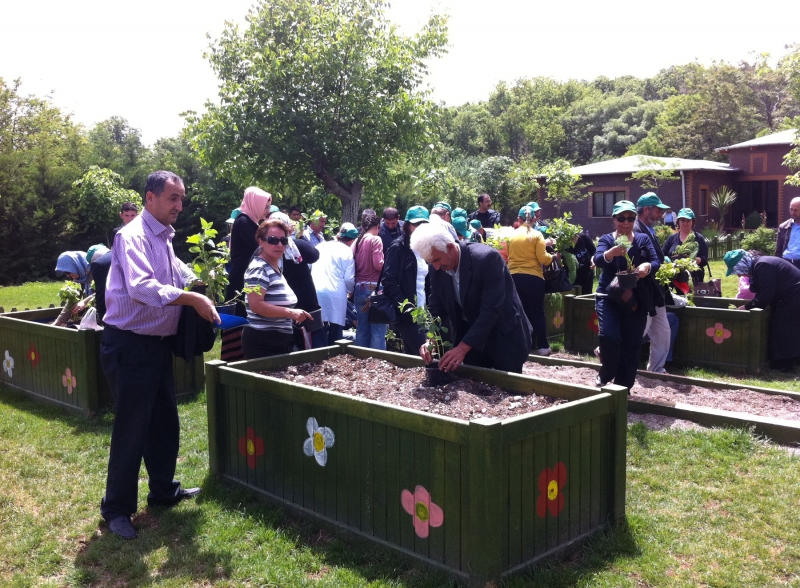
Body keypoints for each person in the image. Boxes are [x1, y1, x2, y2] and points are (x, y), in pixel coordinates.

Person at [99, 171, 219, 540]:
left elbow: (175, 271)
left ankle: (163, 491)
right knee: (132, 428)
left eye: (181, 198)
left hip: (155, 345)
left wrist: (200, 279)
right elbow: (141, 287)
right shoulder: (132, 235)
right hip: (129, 345)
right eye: (172, 198)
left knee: (164, 421)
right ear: (150, 198)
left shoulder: (163, 236)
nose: (179, 205)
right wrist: (192, 298)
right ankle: (116, 509)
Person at [409, 222, 532, 373]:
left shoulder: (486, 259)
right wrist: (431, 339)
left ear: (450, 247)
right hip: (471, 340)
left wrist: (462, 348)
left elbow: (491, 309)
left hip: (504, 337)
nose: (435, 266)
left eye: (436, 260)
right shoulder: (437, 269)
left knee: (508, 386)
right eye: (430, 262)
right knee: (473, 382)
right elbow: (436, 307)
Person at [593, 200, 660, 388]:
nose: (626, 222)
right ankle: (606, 374)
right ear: (614, 219)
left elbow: (656, 261)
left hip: (636, 298)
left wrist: (647, 266)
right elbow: (598, 259)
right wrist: (611, 253)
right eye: (621, 218)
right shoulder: (607, 239)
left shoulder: (643, 239)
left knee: (631, 344)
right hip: (609, 297)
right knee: (609, 337)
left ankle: (623, 388)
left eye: (630, 218)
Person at [242, 219, 313, 358]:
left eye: (283, 240)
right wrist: (289, 312)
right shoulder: (259, 268)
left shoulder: (274, 267)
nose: (279, 245)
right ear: (261, 241)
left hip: (276, 341)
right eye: (273, 240)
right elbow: (255, 305)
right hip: (263, 341)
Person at [726, 249, 800, 371]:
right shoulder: (760, 264)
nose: (739, 275)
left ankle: (784, 364)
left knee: (780, 326)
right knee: (790, 326)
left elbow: (765, 296)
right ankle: (793, 360)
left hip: (794, 295)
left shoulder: (762, 265)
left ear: (742, 265)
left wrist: (745, 307)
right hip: (792, 295)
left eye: (738, 271)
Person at [507, 205, 555, 356]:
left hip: (514, 277)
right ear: (534, 218)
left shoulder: (511, 235)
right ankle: (543, 346)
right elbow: (543, 258)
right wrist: (553, 257)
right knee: (538, 313)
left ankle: (525, 345)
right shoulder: (537, 235)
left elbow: (509, 255)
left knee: (522, 312)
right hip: (533, 277)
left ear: (519, 219)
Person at [269, 212, 322, 350]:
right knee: (309, 344)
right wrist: (301, 235)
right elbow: (315, 255)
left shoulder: (266, 251)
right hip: (304, 301)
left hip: (279, 303)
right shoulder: (297, 246)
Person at [382, 206, 430, 354]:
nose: (420, 228)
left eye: (424, 224)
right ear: (408, 225)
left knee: (412, 359)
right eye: (416, 224)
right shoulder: (398, 247)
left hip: (423, 310)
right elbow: (388, 280)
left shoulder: (426, 247)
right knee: (426, 353)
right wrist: (405, 308)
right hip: (407, 314)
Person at [633, 192, 672, 373]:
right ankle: (605, 350)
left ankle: (656, 369)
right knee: (640, 329)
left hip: (656, 290)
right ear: (646, 210)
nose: (661, 215)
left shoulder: (648, 229)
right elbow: (639, 259)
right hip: (644, 290)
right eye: (658, 210)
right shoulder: (636, 230)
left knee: (662, 331)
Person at [226, 187, 272, 316]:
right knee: (241, 319)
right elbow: (260, 247)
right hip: (241, 279)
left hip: (248, 278)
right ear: (255, 204)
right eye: (265, 207)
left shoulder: (251, 222)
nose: (267, 211)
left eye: (268, 207)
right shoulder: (244, 221)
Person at [311, 223, 357, 347]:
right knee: (336, 335)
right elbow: (349, 279)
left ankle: (318, 356)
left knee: (318, 331)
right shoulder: (347, 251)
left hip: (316, 292)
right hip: (337, 294)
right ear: (351, 241)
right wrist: (350, 291)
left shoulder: (320, 246)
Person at [352, 212, 387, 349]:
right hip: (374, 289)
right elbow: (378, 264)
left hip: (359, 288)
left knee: (362, 328)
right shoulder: (375, 239)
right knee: (378, 330)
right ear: (378, 226)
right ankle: (377, 360)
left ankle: (361, 358)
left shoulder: (357, 241)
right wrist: (388, 263)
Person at [661, 208, 709, 282]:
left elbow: (705, 259)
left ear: (692, 222)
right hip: (674, 279)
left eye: (688, 220)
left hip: (694, 279)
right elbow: (662, 255)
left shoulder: (699, 238)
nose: (685, 223)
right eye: (682, 220)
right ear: (678, 222)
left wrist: (697, 260)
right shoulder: (671, 238)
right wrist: (668, 261)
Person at [775, 197, 800, 270]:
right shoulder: (783, 227)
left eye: (796, 210)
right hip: (786, 263)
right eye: (791, 209)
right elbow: (778, 250)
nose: (792, 212)